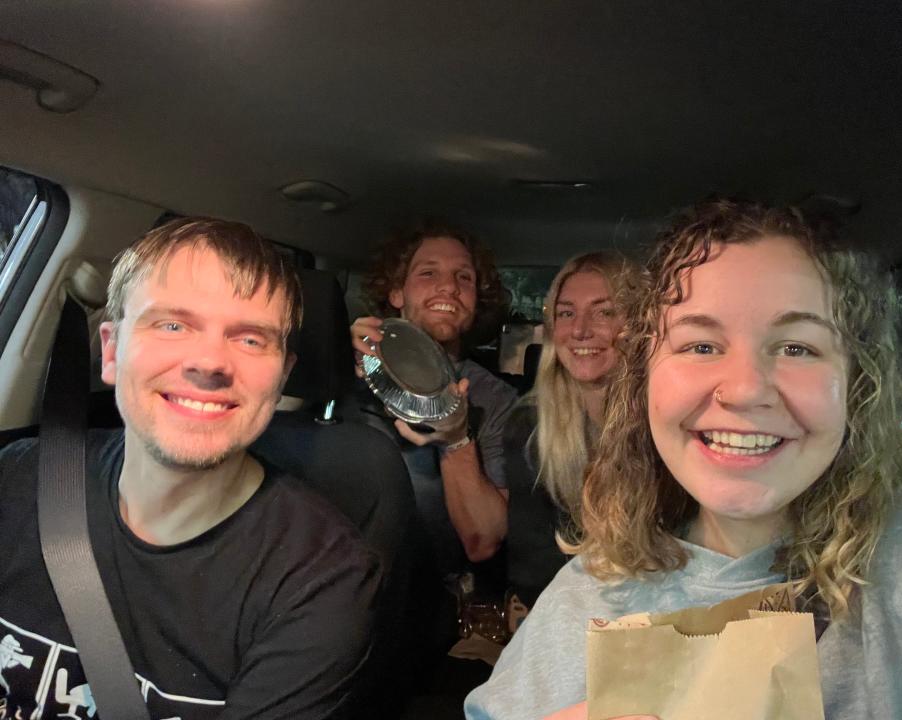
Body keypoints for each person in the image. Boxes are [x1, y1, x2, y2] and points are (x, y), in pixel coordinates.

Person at [465, 199, 902, 720]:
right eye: (700, 345)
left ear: (857, 384)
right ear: (644, 379)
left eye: (796, 348)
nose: (746, 390)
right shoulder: (585, 597)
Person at [0, 218, 380, 719]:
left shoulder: (321, 578)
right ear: (111, 352)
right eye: (173, 325)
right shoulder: (18, 478)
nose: (210, 361)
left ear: (282, 376)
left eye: (250, 339)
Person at [349, 220, 517, 583]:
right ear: (397, 292)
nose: (448, 287)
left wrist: (456, 439)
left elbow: (483, 542)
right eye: (428, 273)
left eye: (464, 278)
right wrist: (332, 361)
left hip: (433, 588)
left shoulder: (497, 399)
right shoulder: (349, 365)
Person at [504, 251, 635, 609]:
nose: (580, 330)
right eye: (566, 313)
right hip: (567, 612)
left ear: (638, 324)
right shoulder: (530, 425)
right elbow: (533, 569)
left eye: (604, 312)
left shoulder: (669, 422)